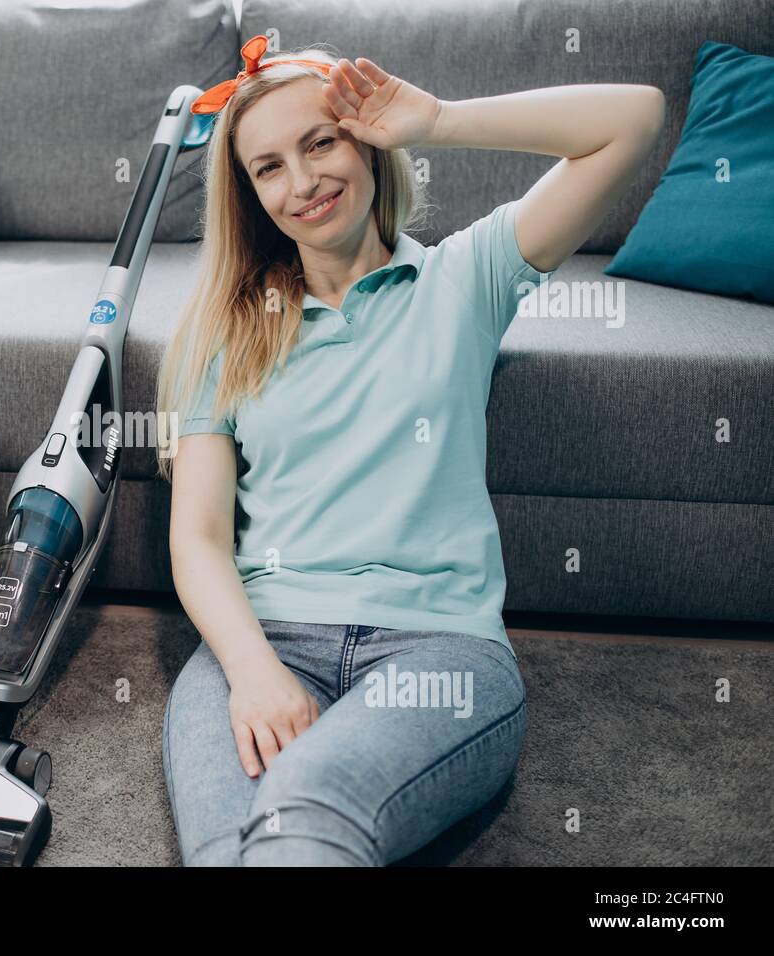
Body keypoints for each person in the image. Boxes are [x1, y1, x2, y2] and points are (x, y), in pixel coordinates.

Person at [154, 35, 664, 866]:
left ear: (367, 140)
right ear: (249, 195)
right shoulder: (224, 333)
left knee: (305, 812)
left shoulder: (468, 278)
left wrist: (438, 120)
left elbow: (633, 119)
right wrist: (252, 670)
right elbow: (198, 539)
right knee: (227, 849)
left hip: (439, 648)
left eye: (321, 142)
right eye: (269, 166)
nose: (304, 182)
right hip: (263, 635)